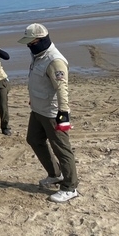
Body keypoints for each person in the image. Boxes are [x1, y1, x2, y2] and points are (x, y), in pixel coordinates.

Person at [18, 23, 79, 203]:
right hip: (38, 109)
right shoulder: (38, 55)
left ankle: (70, 187)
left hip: (53, 113)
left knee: (62, 149)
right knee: (34, 139)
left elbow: (62, 90)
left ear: (41, 40)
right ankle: (55, 174)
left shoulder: (54, 60)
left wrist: (63, 118)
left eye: (32, 42)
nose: (29, 45)